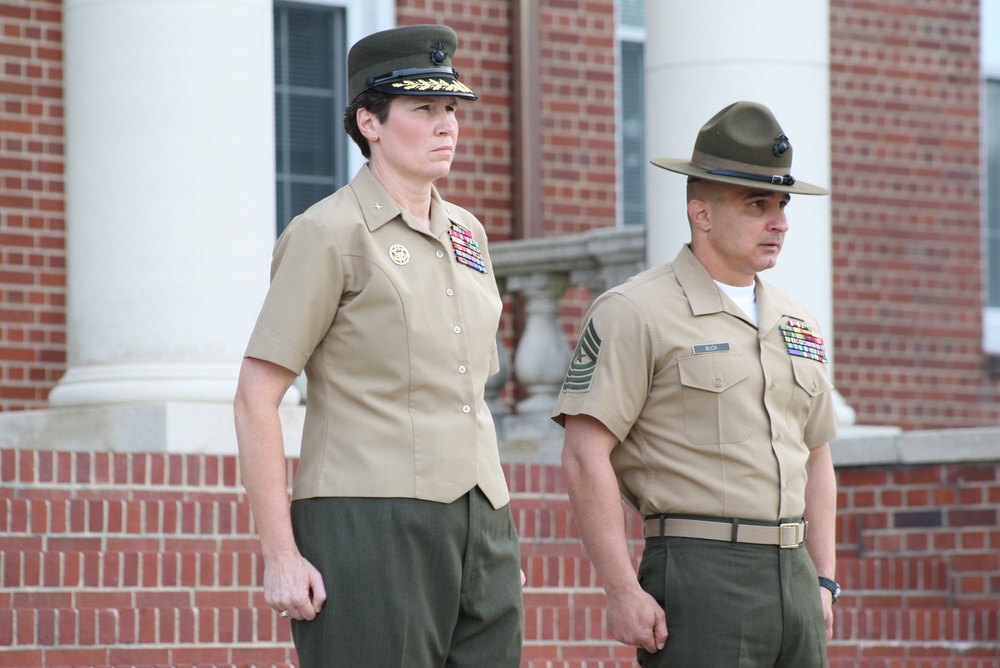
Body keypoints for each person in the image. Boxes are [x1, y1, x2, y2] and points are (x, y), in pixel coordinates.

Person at [233, 24, 523, 667]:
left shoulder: (469, 233)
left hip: (481, 518)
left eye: (451, 108)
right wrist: (281, 554)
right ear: (369, 121)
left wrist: (490, 534)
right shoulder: (328, 233)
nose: (447, 124)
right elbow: (257, 395)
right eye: (424, 109)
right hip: (369, 517)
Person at [553, 101, 840, 667]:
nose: (779, 221)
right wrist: (619, 589)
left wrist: (824, 580)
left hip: (795, 577)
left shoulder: (796, 321)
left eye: (782, 204)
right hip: (701, 573)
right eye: (757, 204)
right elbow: (586, 453)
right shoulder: (635, 311)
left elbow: (817, 455)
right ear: (701, 213)